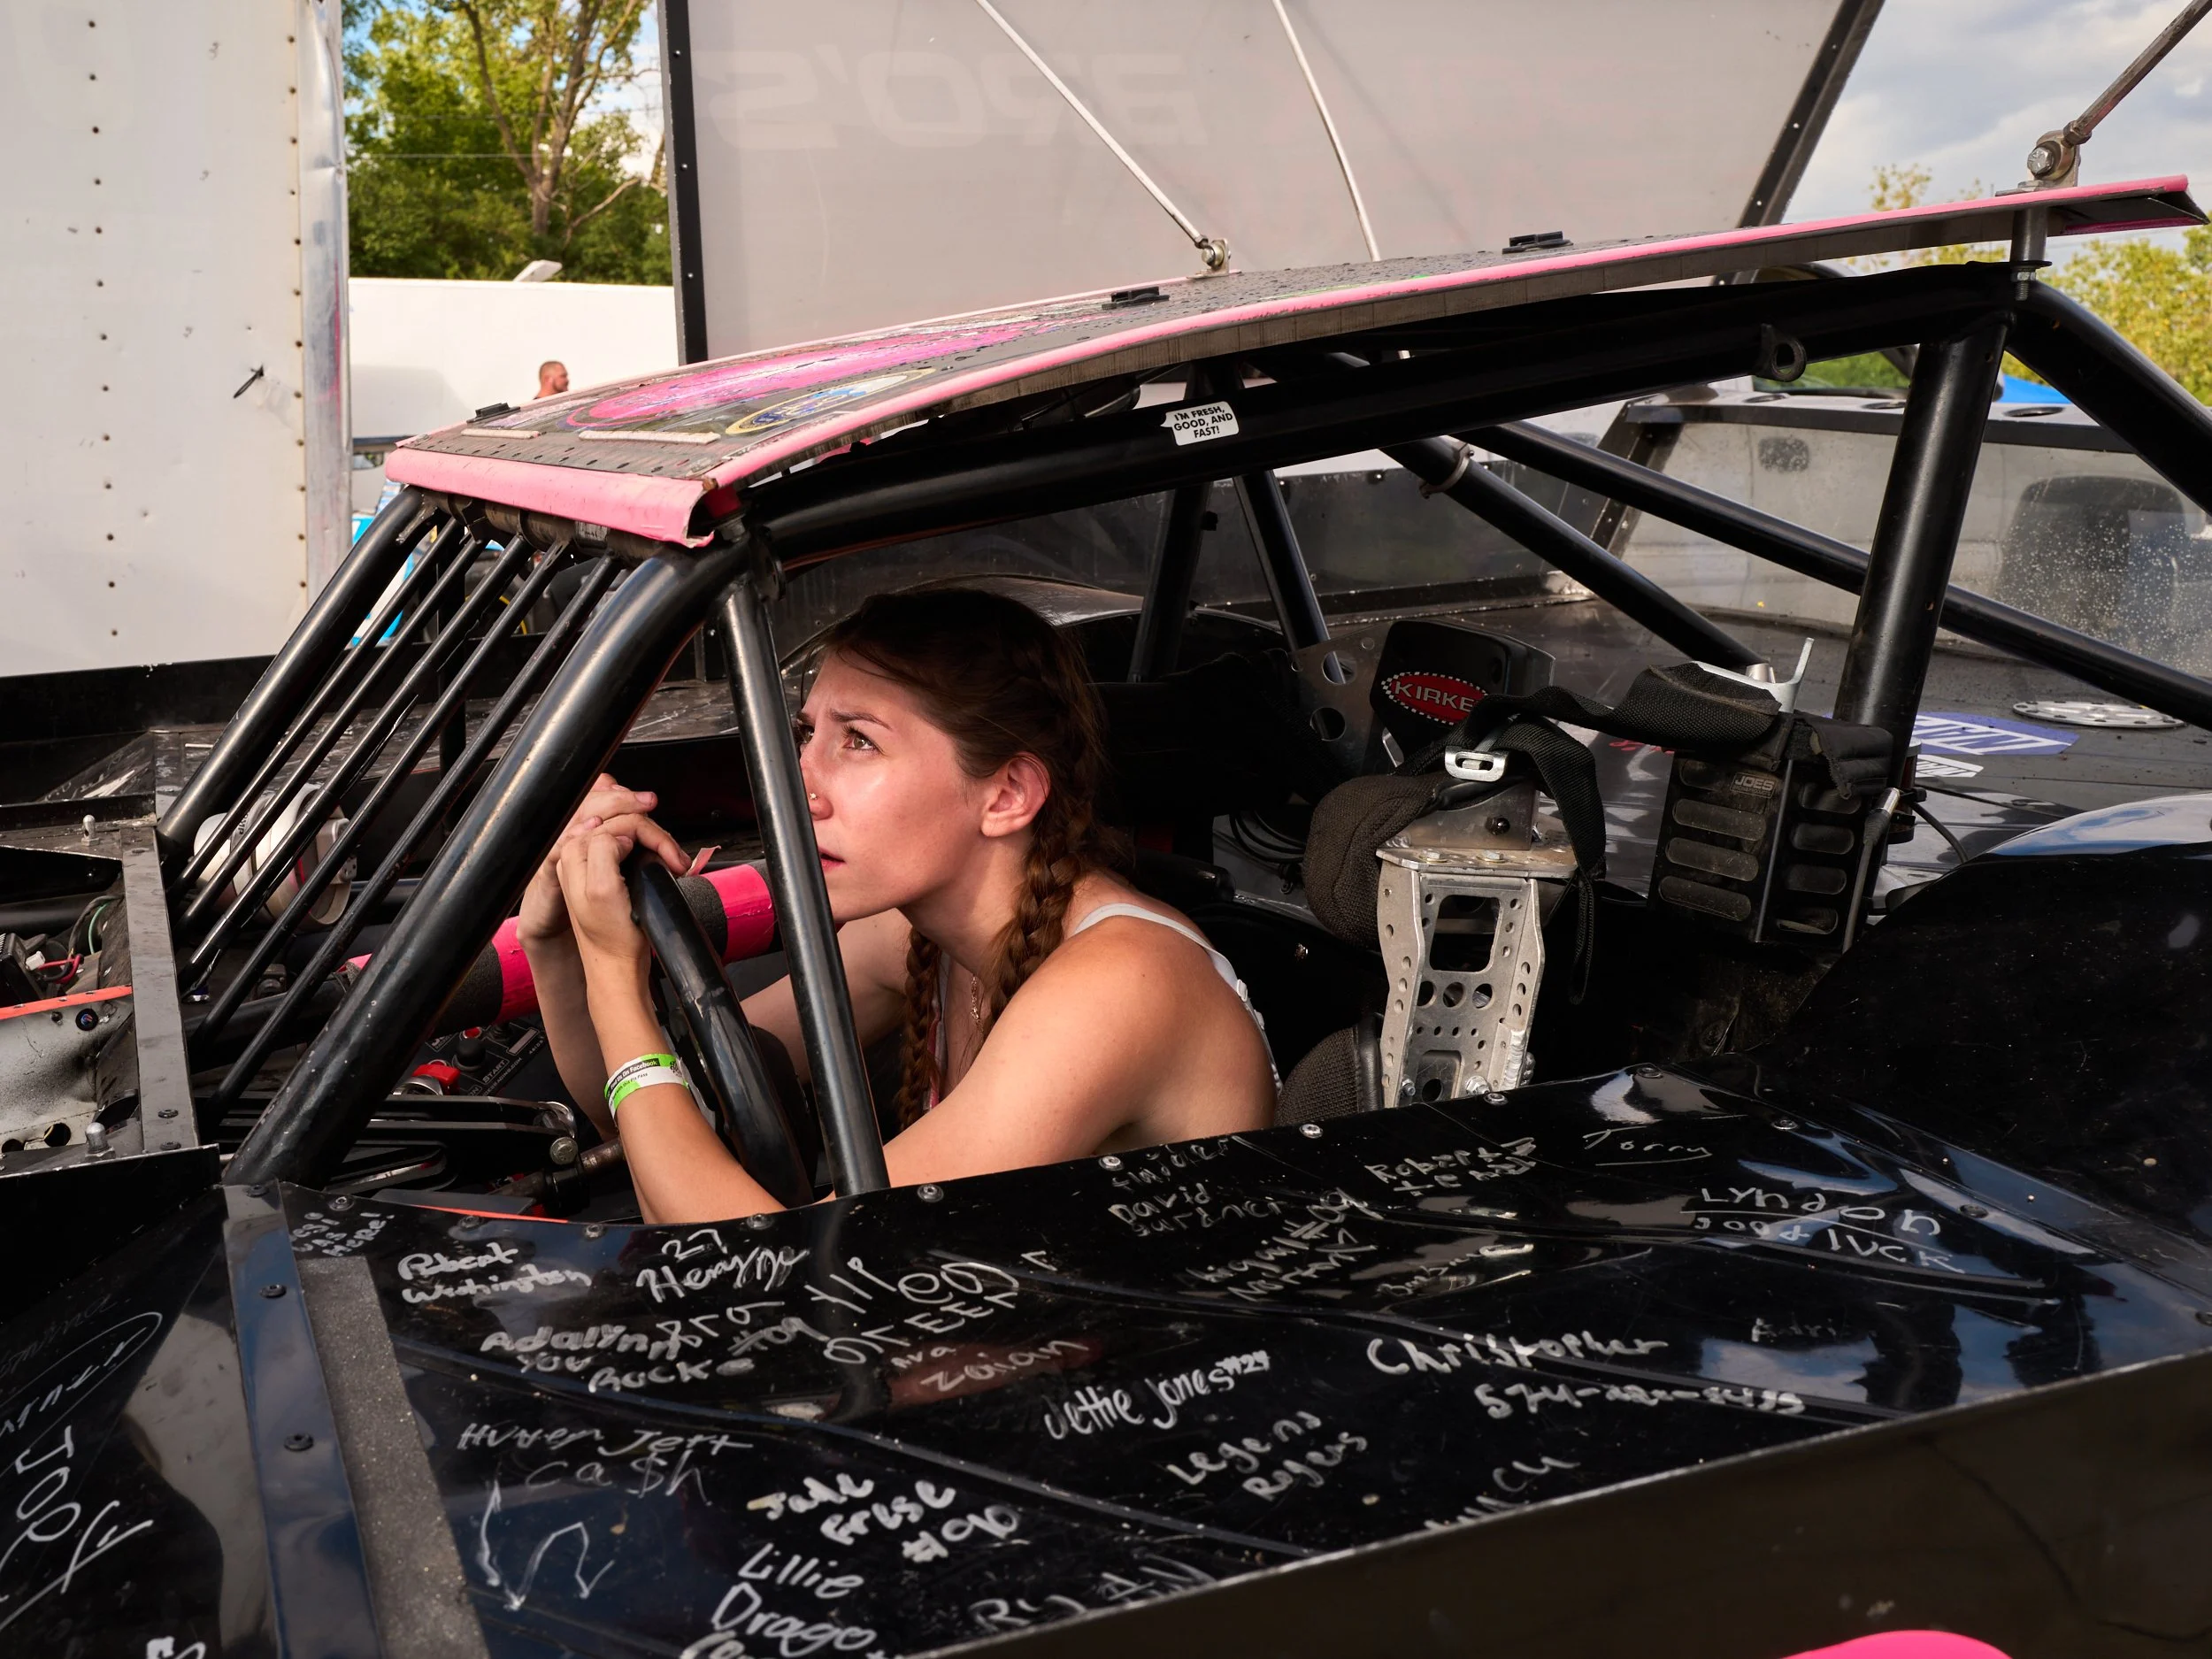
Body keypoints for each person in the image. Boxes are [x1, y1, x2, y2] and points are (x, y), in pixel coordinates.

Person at [519, 588, 1278, 1224]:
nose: (796, 782)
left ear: (1007, 795)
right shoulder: (913, 938)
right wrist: (557, 947)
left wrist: (620, 980)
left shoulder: (1120, 986)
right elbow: (666, 1117)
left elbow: (790, 1269)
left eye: (859, 742)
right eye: (810, 732)